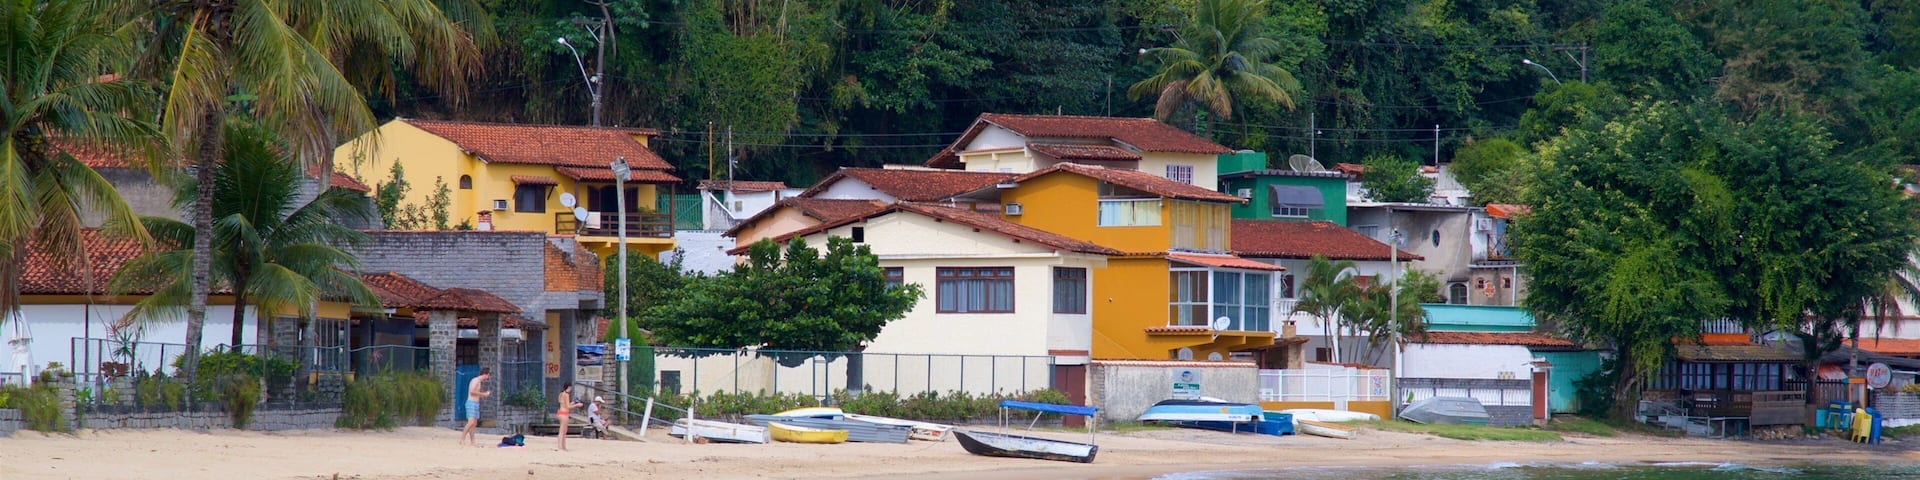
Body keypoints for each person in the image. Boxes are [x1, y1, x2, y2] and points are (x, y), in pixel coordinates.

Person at [460, 367, 492, 447]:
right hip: (471, 403)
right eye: (488, 375)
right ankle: (462, 439)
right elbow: (472, 392)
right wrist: (483, 394)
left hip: (475, 404)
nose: (488, 377)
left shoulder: (479, 382)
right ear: (485, 374)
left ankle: (472, 442)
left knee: (474, 424)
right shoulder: (475, 380)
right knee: (470, 422)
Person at [556, 384, 584, 451]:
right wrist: (577, 405)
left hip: (560, 412)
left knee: (563, 430)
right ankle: (561, 447)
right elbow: (568, 407)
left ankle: (563, 446)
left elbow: (564, 404)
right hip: (564, 414)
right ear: (568, 387)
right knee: (563, 431)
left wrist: (573, 403)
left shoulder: (561, 394)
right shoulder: (566, 395)